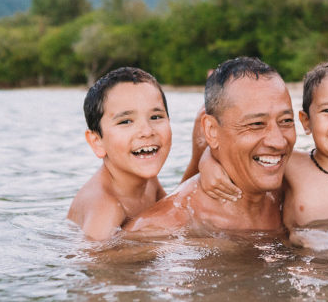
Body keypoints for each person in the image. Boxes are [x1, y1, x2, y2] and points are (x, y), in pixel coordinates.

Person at [201, 60, 328, 228]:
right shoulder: (293, 166)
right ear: (306, 122)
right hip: (295, 261)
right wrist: (208, 163)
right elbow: (235, 154)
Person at [125, 57, 296, 234]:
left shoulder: (299, 192)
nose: (278, 142)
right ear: (212, 131)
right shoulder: (158, 231)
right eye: (256, 124)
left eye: (286, 121)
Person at [67, 67, 172, 240]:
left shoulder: (148, 180)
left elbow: (178, 207)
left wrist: (202, 160)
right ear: (97, 142)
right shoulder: (106, 207)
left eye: (155, 117)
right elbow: (94, 259)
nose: (147, 131)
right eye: (126, 121)